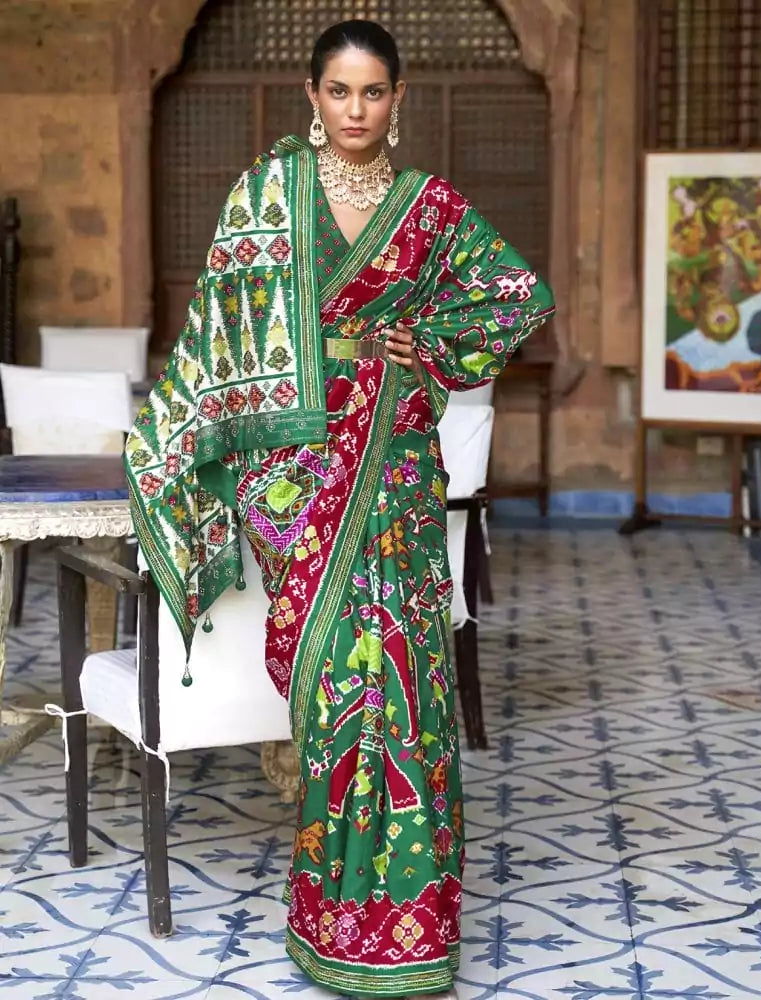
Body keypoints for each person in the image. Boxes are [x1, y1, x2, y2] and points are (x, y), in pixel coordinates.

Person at [125, 18, 555, 999]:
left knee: (402, 680)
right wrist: (178, 442)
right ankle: (331, 912)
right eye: (338, 91)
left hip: (395, 462)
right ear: (312, 98)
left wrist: (428, 342)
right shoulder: (265, 195)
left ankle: (406, 928)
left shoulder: (430, 206)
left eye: (372, 92)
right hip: (296, 470)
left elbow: (516, 297)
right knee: (334, 685)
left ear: (396, 99)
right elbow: (217, 335)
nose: (355, 109)